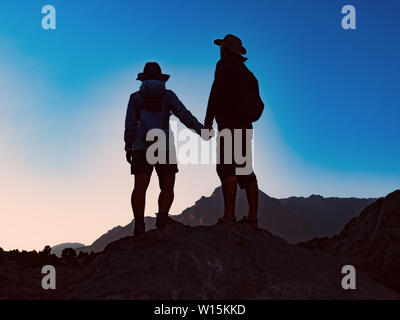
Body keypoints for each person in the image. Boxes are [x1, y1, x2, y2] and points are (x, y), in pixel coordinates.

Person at [124, 62, 206, 236]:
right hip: (165, 145)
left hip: (141, 145)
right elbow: (184, 115)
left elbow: (130, 123)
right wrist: (201, 131)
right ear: (161, 79)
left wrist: (128, 145)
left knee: (140, 187)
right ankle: (162, 217)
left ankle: (139, 224)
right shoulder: (168, 96)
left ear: (143, 78)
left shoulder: (135, 97)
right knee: (167, 186)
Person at [205, 34, 261, 228]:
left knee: (226, 167)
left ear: (225, 50)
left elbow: (215, 93)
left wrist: (207, 122)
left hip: (228, 124)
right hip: (246, 126)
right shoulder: (250, 75)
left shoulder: (223, 66)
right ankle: (252, 217)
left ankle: (229, 215)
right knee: (246, 169)